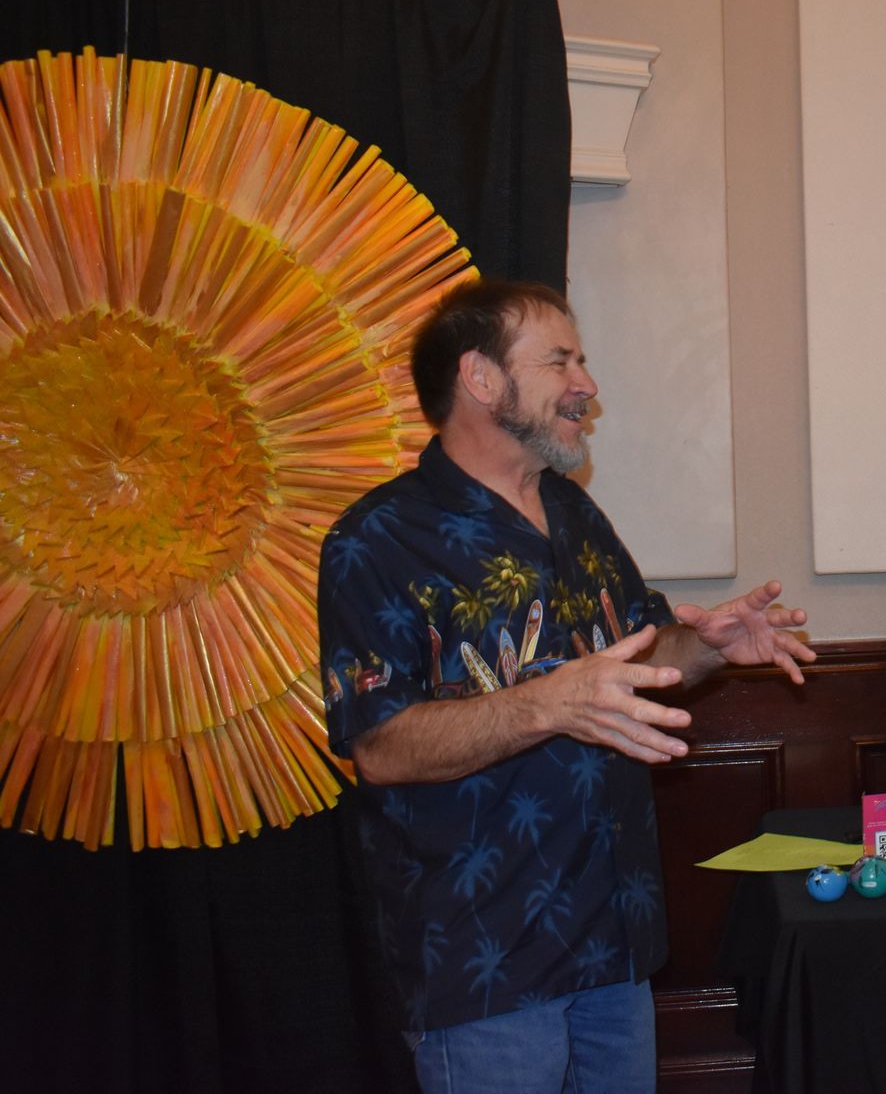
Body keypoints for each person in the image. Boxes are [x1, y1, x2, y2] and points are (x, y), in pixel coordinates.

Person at [318, 279, 813, 1093]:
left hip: (614, 943)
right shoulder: (375, 542)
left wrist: (709, 646)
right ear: (481, 379)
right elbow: (378, 747)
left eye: (581, 360)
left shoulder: (576, 516)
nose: (587, 385)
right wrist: (544, 704)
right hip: (487, 968)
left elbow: (642, 658)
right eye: (560, 361)